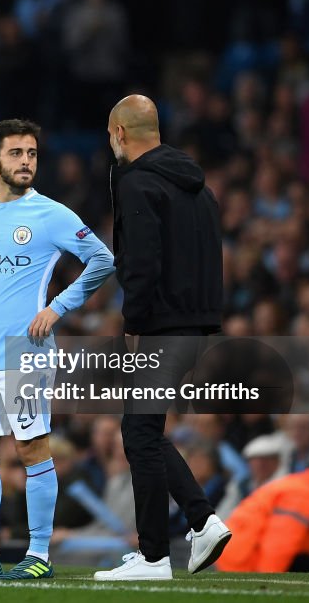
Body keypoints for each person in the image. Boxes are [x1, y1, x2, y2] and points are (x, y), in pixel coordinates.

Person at [0, 119, 115, 581]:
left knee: (31, 447)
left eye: (32, 154)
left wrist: (58, 308)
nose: (26, 162)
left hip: (25, 352)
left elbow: (102, 259)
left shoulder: (51, 213)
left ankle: (38, 554)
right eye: (16, 154)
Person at [94, 95, 230, 582]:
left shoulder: (137, 183)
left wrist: (133, 324)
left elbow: (142, 263)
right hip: (194, 325)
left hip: (159, 326)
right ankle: (195, 526)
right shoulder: (200, 189)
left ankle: (159, 552)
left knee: (139, 434)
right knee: (144, 432)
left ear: (120, 133)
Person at [216, 462, 309, 572]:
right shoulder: (304, 496)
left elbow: (302, 537)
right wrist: (268, 583)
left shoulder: (305, 487)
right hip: (246, 559)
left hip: (240, 551)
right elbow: (281, 541)